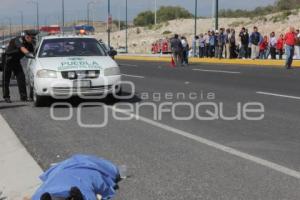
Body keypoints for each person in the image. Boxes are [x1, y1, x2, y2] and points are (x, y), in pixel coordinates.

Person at [2, 30, 37, 103]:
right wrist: (29, 54)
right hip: (8, 59)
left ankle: (23, 97)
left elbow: (34, 53)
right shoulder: (18, 39)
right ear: (27, 37)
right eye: (32, 38)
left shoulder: (29, 44)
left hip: (16, 61)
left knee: (21, 78)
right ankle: (6, 97)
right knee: (6, 79)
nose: (33, 40)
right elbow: (22, 49)